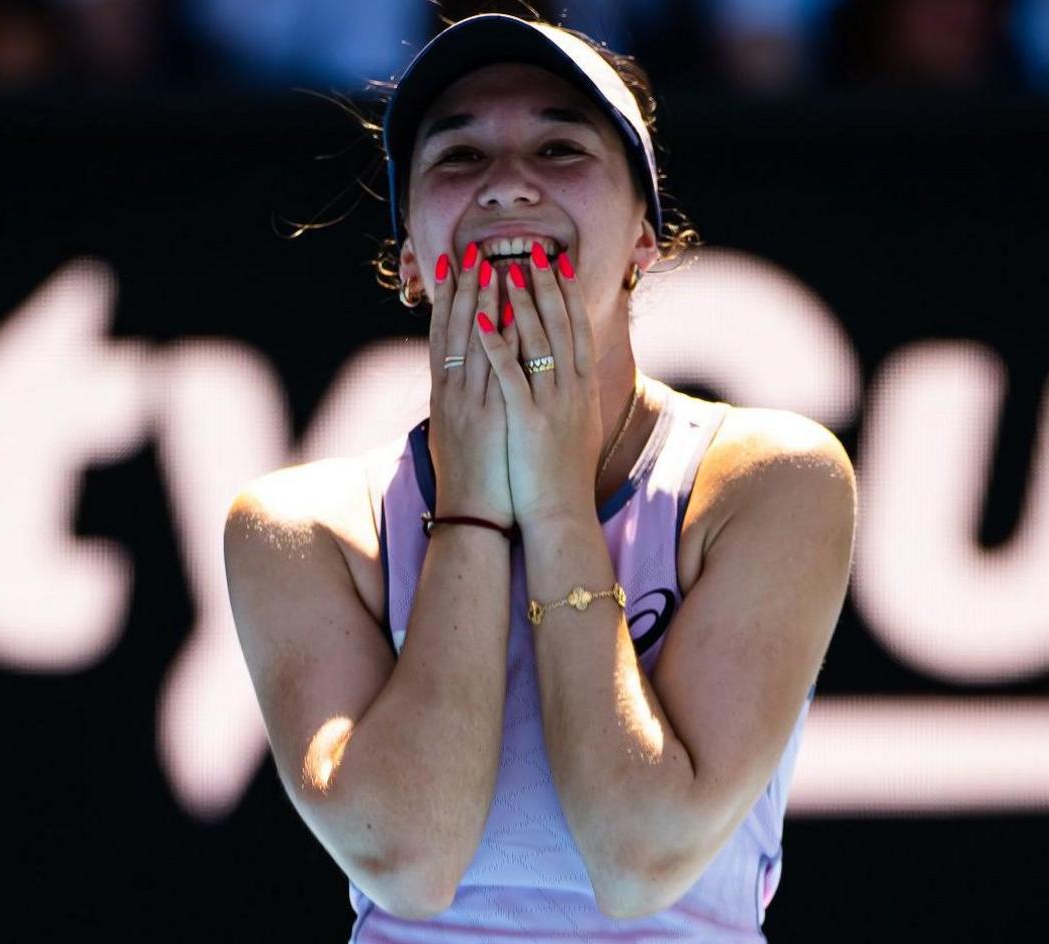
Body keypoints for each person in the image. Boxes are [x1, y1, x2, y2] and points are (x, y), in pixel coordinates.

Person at [222, 12, 856, 940]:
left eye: (560, 148)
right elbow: (409, 860)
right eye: (458, 158)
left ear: (646, 239)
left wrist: (554, 497)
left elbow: (639, 857)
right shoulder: (300, 527)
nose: (508, 184)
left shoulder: (769, 480)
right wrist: (477, 504)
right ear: (408, 262)